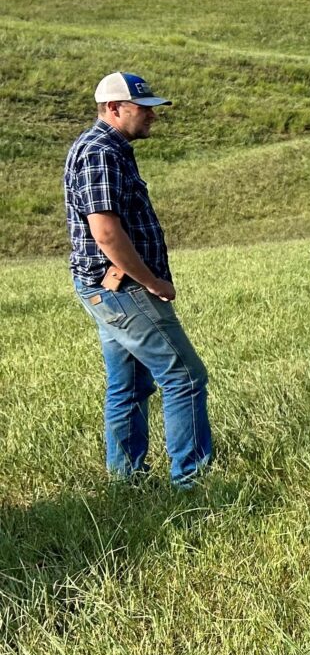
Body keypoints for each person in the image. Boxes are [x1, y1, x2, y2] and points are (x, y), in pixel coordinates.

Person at [64, 72, 214, 488]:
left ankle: (126, 482)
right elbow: (106, 231)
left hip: (109, 287)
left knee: (128, 385)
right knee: (184, 376)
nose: (152, 115)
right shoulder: (100, 152)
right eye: (142, 108)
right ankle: (193, 482)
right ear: (113, 108)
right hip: (121, 288)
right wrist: (152, 282)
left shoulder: (112, 148)